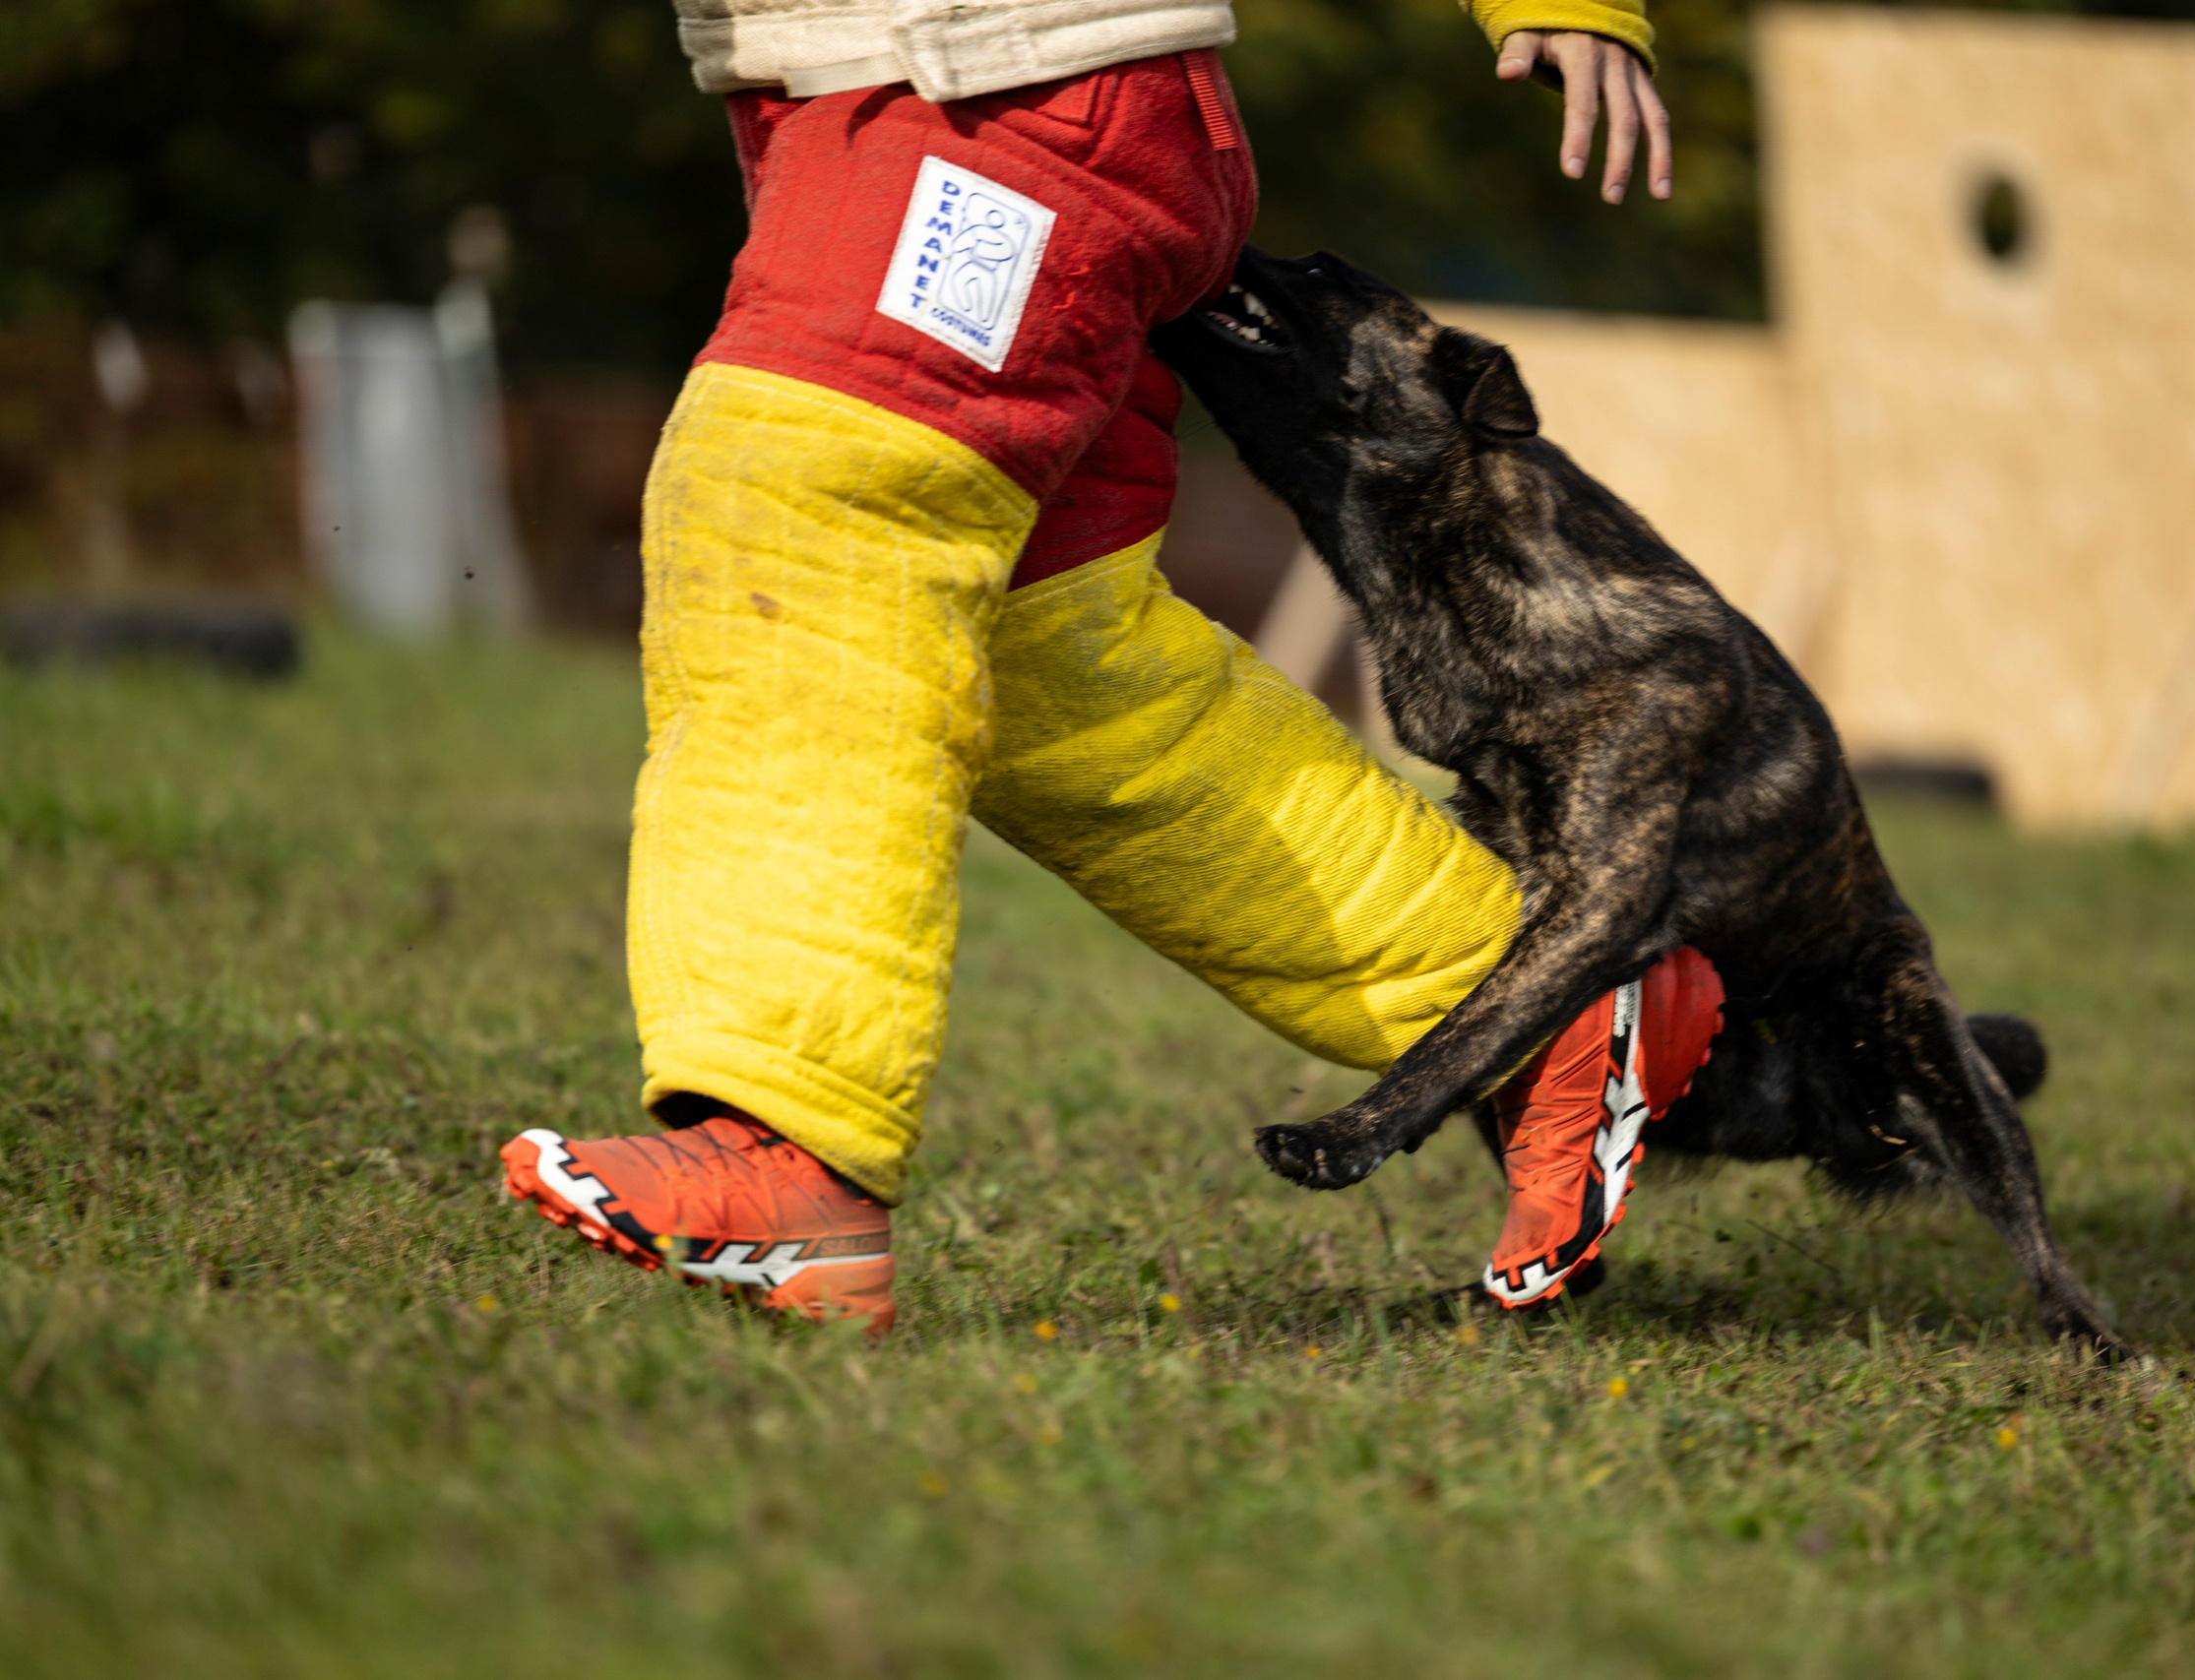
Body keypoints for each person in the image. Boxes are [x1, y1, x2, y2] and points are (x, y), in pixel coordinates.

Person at [501, 0, 1725, 1336]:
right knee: (1046, 653)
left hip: (995, 90)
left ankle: (784, 1153)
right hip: (920, 97)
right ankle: (1537, 1009)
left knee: (807, 511)